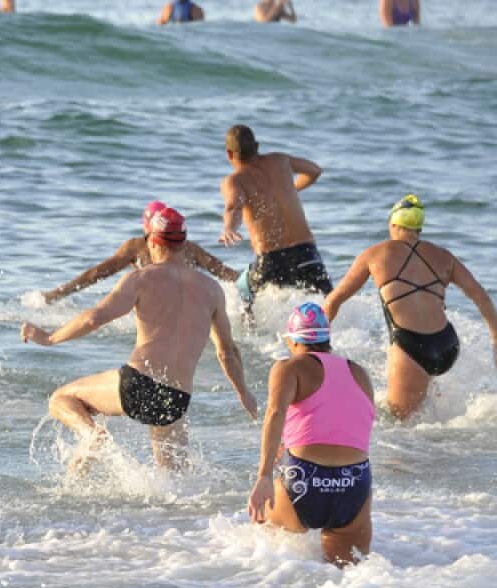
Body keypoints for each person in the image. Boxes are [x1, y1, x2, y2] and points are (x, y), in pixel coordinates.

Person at [20, 205, 257, 469]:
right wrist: (243, 392)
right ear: (184, 242)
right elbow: (227, 352)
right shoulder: (212, 289)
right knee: (173, 480)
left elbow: (93, 318)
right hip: (177, 398)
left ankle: (91, 435)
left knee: (62, 399)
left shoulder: (140, 278)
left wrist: (50, 338)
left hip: (138, 385)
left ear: (152, 242)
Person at [324, 196, 497, 419]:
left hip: (411, 346)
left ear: (394, 225)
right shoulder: (445, 257)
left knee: (400, 424)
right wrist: (495, 338)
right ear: (418, 227)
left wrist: (318, 343)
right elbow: (481, 297)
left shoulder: (375, 254)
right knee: (431, 415)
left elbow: (335, 299)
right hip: (447, 343)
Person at [249, 303, 375, 566]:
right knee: (350, 584)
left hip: (303, 477)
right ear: (327, 339)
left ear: (293, 341)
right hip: (354, 483)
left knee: (270, 566)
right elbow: (353, 427)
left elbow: (275, 414)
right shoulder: (359, 372)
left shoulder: (288, 368)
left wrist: (263, 476)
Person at [219, 125, 329, 312]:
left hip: (272, 260)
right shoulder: (281, 161)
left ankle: (254, 341)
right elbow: (315, 170)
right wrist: (290, 190)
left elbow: (233, 207)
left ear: (229, 154)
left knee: (246, 303)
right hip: (307, 253)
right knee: (329, 304)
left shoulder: (235, 180)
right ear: (257, 146)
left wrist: (229, 228)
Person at [42, 201, 237, 303]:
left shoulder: (135, 247)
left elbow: (96, 274)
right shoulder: (189, 248)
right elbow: (226, 273)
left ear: (146, 227)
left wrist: (58, 294)